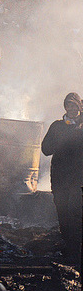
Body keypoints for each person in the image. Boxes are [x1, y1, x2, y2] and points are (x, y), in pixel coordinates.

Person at [41, 92, 83, 263]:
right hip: (59, 176)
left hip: (78, 177)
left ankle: (76, 250)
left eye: (75, 106)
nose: (71, 109)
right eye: (68, 105)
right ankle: (69, 248)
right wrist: (59, 139)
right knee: (62, 211)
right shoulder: (57, 126)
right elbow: (45, 149)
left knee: (75, 210)